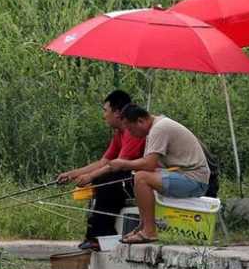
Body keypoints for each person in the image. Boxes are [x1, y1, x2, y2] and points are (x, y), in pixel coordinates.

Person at [108, 104, 210, 244]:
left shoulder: (159, 128)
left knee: (142, 178)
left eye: (131, 129)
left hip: (194, 180)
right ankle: (143, 226)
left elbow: (148, 164)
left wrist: (123, 163)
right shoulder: (155, 128)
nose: (131, 134)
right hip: (184, 176)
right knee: (140, 175)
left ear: (140, 121)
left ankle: (149, 232)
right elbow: (149, 165)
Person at [57, 90, 145, 251]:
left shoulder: (132, 131)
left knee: (107, 182)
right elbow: (105, 161)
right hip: (128, 176)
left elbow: (118, 164)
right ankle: (94, 235)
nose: (104, 115)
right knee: (102, 179)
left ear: (118, 112)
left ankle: (102, 235)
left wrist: (90, 176)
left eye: (106, 111)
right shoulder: (119, 132)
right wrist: (73, 174)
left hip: (140, 180)